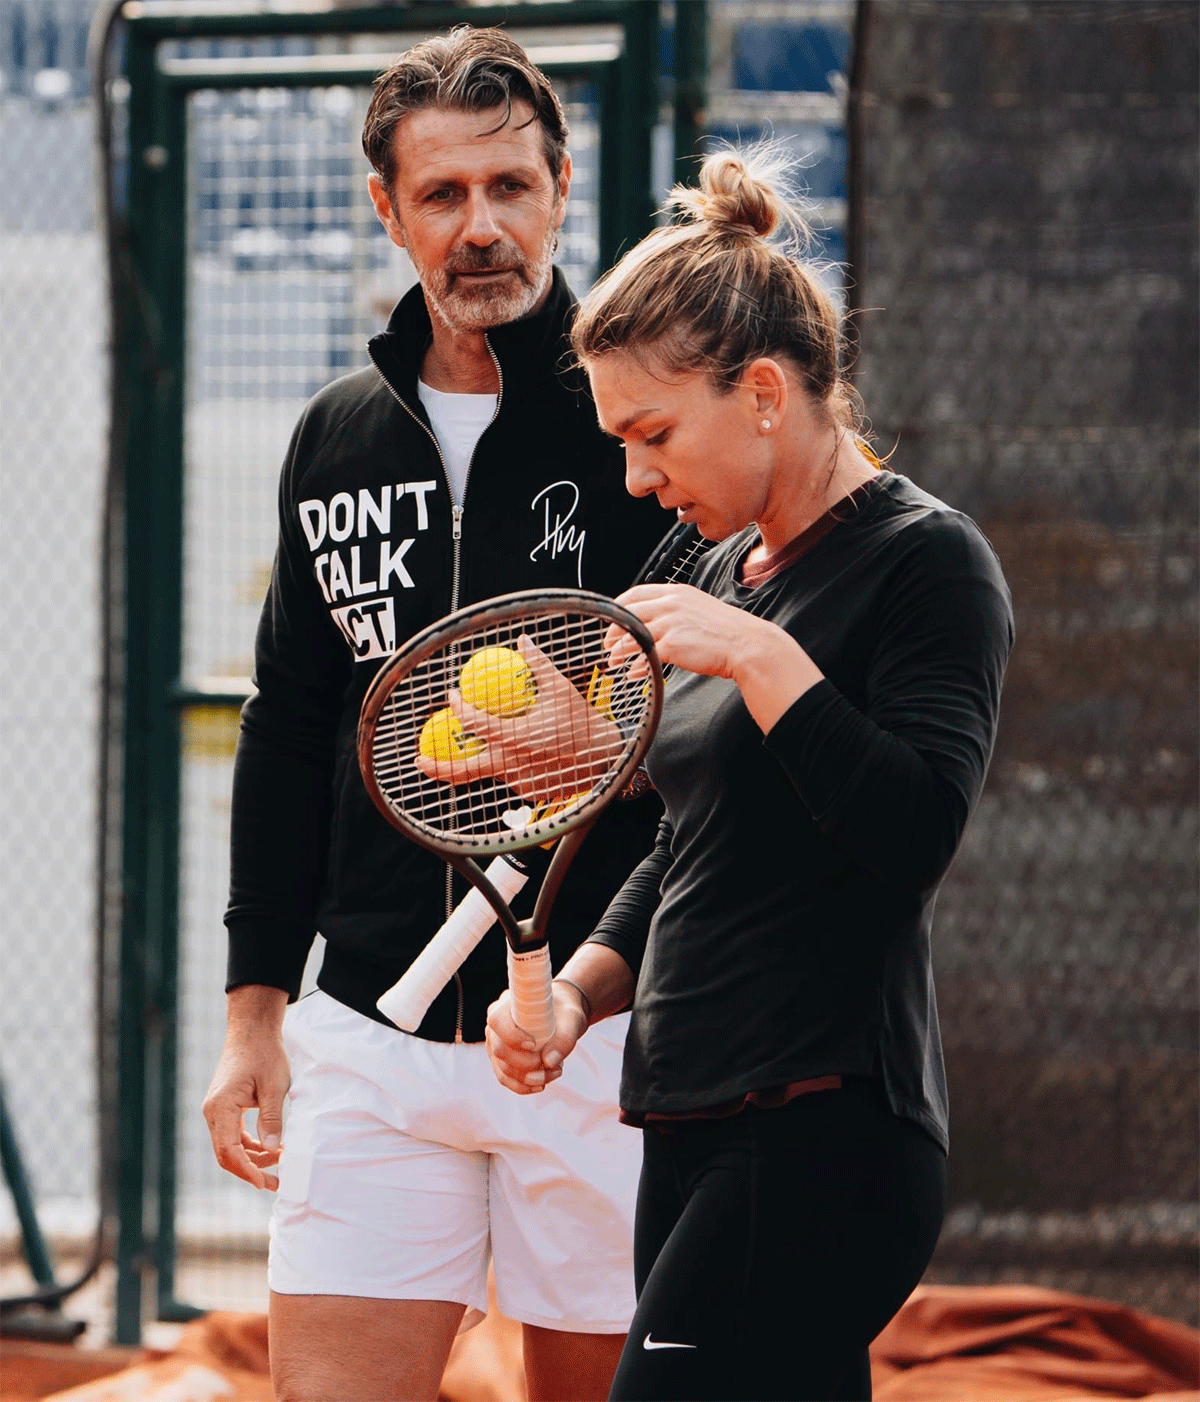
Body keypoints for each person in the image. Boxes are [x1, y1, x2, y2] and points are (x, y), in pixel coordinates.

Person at [484, 147, 1015, 1402]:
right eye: (619, 440)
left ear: (765, 393)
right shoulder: (718, 568)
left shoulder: (931, 563)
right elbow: (691, 839)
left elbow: (915, 831)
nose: (636, 476)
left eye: (654, 433)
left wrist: (770, 665)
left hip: (825, 1124)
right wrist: (576, 996)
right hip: (689, 1113)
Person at [201, 27, 670, 1402]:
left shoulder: (639, 424)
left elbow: (697, 737)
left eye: (511, 187)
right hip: (370, 1038)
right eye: (447, 194)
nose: (484, 228)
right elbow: (288, 725)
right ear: (386, 208)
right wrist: (254, 1014)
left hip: (602, 1037)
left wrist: (591, 984)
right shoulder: (336, 434)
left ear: (563, 188)